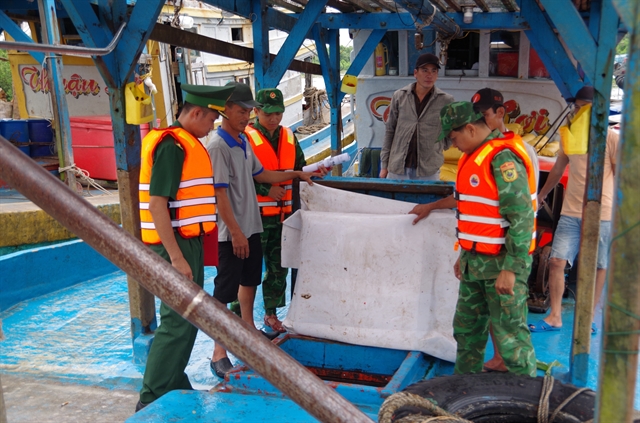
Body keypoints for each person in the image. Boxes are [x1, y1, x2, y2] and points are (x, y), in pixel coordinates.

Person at [206, 82, 319, 378]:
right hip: (231, 232)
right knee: (224, 290)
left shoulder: (243, 140)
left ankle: (249, 332)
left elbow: (262, 174)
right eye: (241, 111)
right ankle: (218, 352)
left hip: (252, 225)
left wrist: (296, 173)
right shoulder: (217, 146)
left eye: (248, 111)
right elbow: (220, 195)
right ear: (225, 110)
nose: (246, 116)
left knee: (249, 281)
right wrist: (235, 232)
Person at [136, 83, 235, 411]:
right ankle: (151, 396)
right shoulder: (173, 146)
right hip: (174, 246)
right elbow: (157, 204)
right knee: (177, 321)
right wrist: (177, 257)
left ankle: (173, 381)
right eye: (211, 120)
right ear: (196, 113)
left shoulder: (186, 143)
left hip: (187, 242)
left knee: (187, 318)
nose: (212, 127)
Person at [440, 101, 537, 376]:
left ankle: (526, 398)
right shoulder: (472, 157)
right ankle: (463, 392)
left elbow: (521, 217)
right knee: (466, 332)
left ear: (470, 129)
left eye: (454, 138)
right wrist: (464, 257)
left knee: (511, 340)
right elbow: (478, 216)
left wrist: (510, 269)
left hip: (502, 266)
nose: (452, 145)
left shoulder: (502, 159)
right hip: (474, 265)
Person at [529, 86, 618, 334]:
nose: (578, 112)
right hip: (571, 211)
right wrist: (542, 194)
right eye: (576, 107)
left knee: (599, 266)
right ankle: (555, 316)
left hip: (602, 213)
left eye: (583, 108)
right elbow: (558, 169)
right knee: (557, 261)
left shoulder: (611, 138)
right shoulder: (569, 136)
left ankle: (587, 318)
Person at [229, 88, 307, 333]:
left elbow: (300, 167)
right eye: (268, 113)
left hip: (283, 218)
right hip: (254, 220)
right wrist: (266, 189)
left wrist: (314, 172)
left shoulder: (289, 136)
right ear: (257, 111)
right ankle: (235, 316)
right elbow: (236, 177)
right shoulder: (244, 138)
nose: (274, 118)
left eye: (278, 113)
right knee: (246, 271)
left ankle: (271, 314)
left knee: (278, 268)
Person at [380, 53, 454, 181]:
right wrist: (384, 165)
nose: (429, 75)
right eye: (425, 70)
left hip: (429, 170)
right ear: (415, 73)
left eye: (434, 71)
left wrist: (437, 148)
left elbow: (451, 132)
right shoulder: (399, 96)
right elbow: (390, 130)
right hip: (397, 166)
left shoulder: (446, 101)